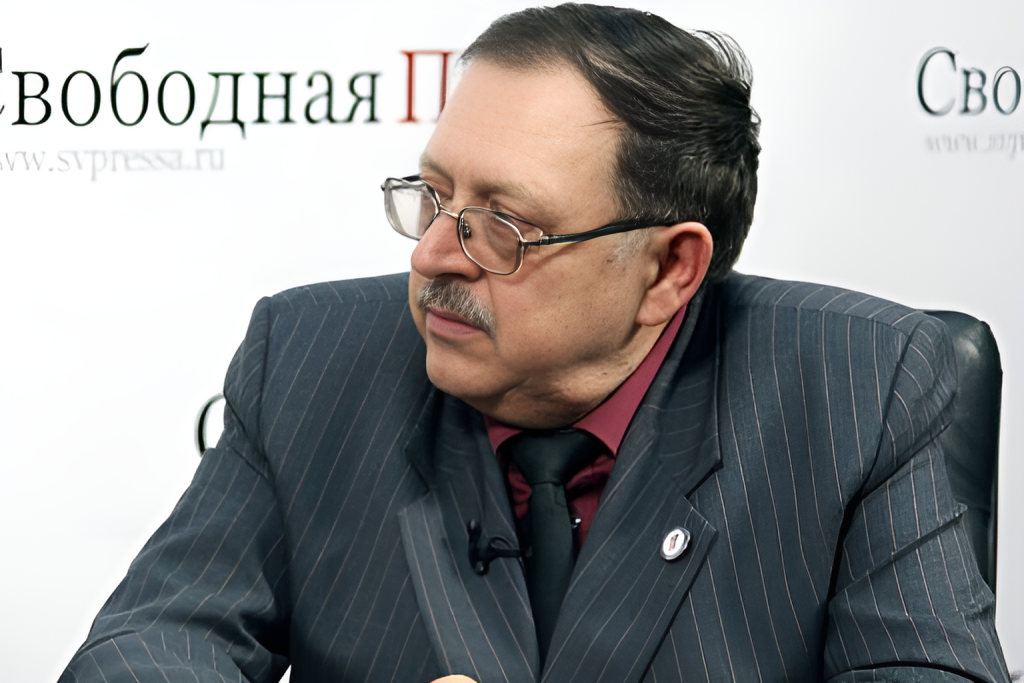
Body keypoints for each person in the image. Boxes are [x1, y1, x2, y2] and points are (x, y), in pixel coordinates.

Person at [60, 4, 1008, 682]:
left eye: (503, 227)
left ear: (669, 268)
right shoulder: (308, 356)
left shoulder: (859, 387)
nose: (433, 254)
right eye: (434, 196)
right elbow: (143, 650)